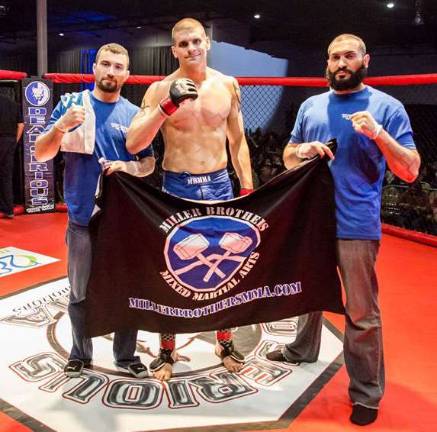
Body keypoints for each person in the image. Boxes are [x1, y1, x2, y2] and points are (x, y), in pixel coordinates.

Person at [266, 34, 420, 426]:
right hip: (312, 221)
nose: (341, 63)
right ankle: (302, 349)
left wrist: (379, 135)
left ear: (365, 59)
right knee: (307, 292)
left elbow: (411, 170)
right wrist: (302, 151)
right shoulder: (312, 106)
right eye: (334, 57)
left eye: (348, 56)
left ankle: (366, 392)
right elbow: (287, 157)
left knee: (361, 311)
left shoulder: (387, 107)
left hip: (355, 223)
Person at [127, 18, 254, 381]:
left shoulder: (228, 85)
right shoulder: (158, 89)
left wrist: (246, 188)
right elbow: (134, 144)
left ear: (208, 42)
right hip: (175, 187)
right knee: (173, 272)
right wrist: (166, 105)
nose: (191, 49)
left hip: (219, 185)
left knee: (228, 266)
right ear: (174, 50)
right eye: (183, 44)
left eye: (197, 41)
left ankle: (225, 340)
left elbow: (238, 141)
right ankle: (167, 350)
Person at [35, 43, 155, 378]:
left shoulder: (133, 114)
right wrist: (60, 128)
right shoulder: (72, 104)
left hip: (122, 221)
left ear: (127, 74)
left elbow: (148, 162)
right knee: (79, 290)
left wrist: (128, 168)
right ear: (95, 68)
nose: (111, 71)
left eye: (119, 66)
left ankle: (126, 356)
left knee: (127, 289)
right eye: (106, 64)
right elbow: (41, 154)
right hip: (81, 216)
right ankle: (80, 352)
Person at [0, 93, 24, 218]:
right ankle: (8, 209)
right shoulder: (13, 104)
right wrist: (14, 141)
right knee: (6, 176)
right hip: (10, 141)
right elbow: (21, 124)